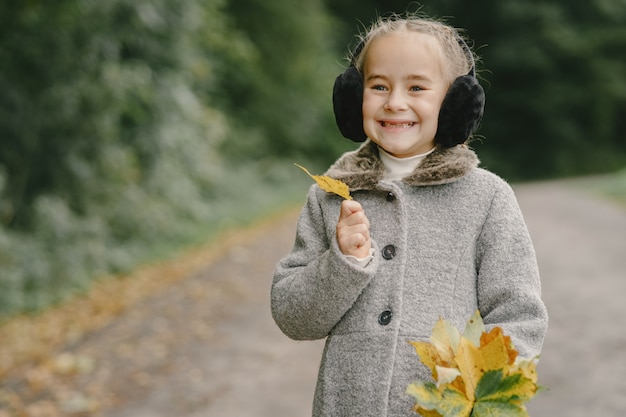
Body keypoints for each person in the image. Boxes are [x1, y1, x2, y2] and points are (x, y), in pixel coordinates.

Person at [271, 13, 548, 417]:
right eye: (378, 85)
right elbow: (293, 318)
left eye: (416, 87)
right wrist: (343, 263)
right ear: (353, 99)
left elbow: (519, 317)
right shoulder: (330, 197)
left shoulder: (487, 198)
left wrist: (475, 396)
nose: (394, 102)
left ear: (455, 103)